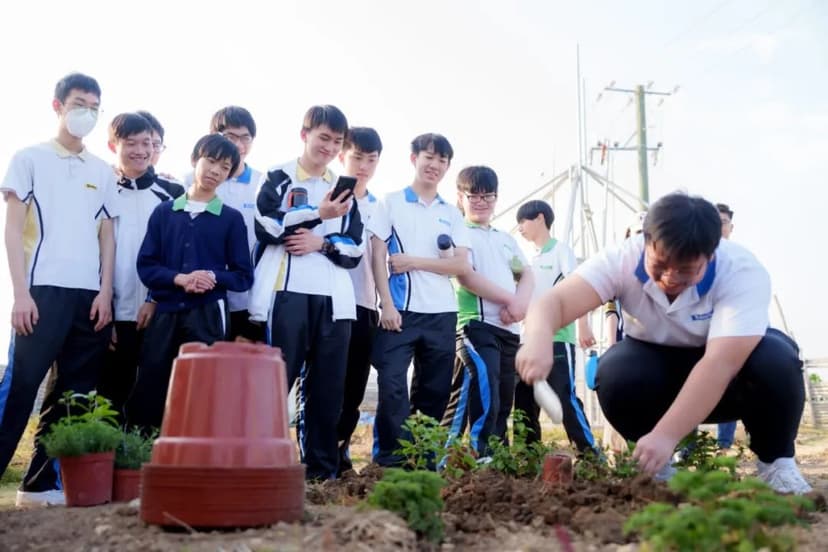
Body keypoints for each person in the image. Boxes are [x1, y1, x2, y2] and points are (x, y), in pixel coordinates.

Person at [517, 192, 812, 494]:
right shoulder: (621, 259)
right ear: (645, 242)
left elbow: (719, 364)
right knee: (616, 372)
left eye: (686, 271)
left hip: (728, 378)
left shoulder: (740, 270)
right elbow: (554, 302)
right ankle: (659, 467)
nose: (670, 278)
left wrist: (667, 434)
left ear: (711, 254)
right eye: (660, 265)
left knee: (777, 360)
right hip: (656, 370)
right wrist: (538, 338)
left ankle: (777, 463)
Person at [0, 73, 118, 507]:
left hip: (88, 299)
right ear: (58, 106)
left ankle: (38, 485)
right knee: (19, 390)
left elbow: (107, 235)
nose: (85, 112)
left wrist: (105, 293)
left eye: (93, 106)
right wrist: (20, 293)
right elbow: (12, 232)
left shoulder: (102, 171)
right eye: (78, 103)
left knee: (72, 396)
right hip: (41, 293)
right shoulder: (29, 158)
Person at [250, 105, 362, 481]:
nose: (329, 147)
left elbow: (354, 248)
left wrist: (322, 244)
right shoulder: (279, 175)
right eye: (323, 138)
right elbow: (267, 225)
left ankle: (319, 473)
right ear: (305, 135)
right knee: (275, 383)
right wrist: (319, 213)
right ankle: (261, 467)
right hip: (285, 293)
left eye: (336, 141)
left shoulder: (346, 189)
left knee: (327, 390)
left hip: (334, 300)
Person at [125, 134, 253, 433]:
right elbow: (146, 265)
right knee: (152, 383)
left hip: (208, 314)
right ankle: (144, 458)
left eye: (224, 167)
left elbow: (243, 276)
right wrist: (180, 279)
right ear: (195, 159)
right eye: (210, 161)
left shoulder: (231, 219)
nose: (215, 171)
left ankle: (197, 460)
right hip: (166, 310)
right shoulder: (165, 212)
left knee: (203, 387)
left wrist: (211, 277)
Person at [368, 133, 472, 467]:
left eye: (442, 160)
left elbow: (461, 265)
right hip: (400, 311)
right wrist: (386, 303)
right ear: (414, 158)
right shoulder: (391, 202)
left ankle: (424, 461)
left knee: (434, 391)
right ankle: (390, 461)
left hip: (442, 314)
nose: (435, 165)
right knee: (392, 385)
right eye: (429, 157)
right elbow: (377, 255)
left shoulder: (452, 213)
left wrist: (414, 261)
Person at [97, 113, 185, 421]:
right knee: (109, 397)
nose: (140, 150)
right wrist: (104, 310)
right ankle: (106, 467)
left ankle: (147, 468)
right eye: (131, 143)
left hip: (158, 313)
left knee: (154, 399)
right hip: (112, 313)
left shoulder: (173, 194)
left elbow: (179, 253)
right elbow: (93, 251)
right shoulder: (102, 188)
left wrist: (154, 299)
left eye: (147, 143)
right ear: (113, 145)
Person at [440, 166, 533, 457]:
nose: (481, 202)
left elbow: (526, 274)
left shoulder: (505, 239)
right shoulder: (460, 233)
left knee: (504, 399)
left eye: (488, 195)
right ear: (460, 197)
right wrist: (512, 301)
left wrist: (521, 305)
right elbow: (466, 277)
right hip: (476, 326)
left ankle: (496, 457)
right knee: (485, 394)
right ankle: (475, 456)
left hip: (509, 330)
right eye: (474, 196)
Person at [514, 200, 598, 454]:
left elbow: (578, 288)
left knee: (564, 394)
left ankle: (588, 452)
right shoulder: (526, 258)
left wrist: (583, 325)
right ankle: (528, 454)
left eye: (523, 221)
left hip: (559, 336)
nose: (519, 228)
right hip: (527, 340)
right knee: (524, 400)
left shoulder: (561, 251)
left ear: (540, 218)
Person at [334, 127, 383, 475]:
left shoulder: (381, 208)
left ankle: (342, 449)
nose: (363, 165)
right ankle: (317, 454)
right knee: (323, 383)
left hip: (365, 305)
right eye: (357, 157)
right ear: (341, 156)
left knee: (354, 387)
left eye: (371, 159)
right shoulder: (329, 198)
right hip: (330, 303)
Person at [208, 106, 264, 341]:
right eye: (230, 137)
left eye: (245, 138)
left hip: (249, 297)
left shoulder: (263, 184)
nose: (238, 145)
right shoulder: (192, 181)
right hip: (205, 294)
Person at [715, 202, 737, 450]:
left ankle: (725, 444)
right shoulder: (696, 254)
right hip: (701, 330)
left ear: (731, 227)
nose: (720, 227)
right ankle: (688, 444)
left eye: (724, 222)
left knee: (729, 382)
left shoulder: (739, 259)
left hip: (730, 330)